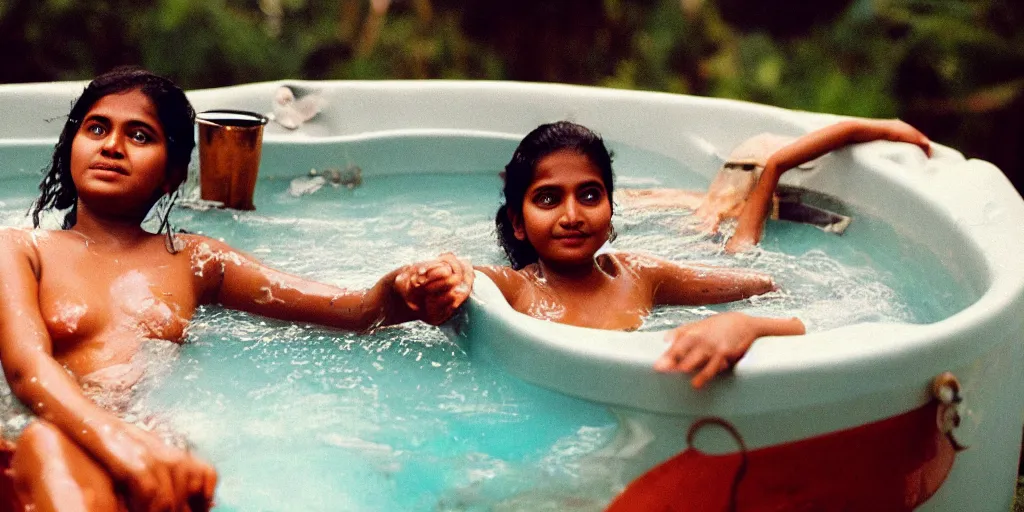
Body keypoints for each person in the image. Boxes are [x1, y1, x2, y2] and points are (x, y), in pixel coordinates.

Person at [0, 68, 473, 512]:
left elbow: (348, 308)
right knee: (48, 445)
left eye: (140, 135)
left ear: (173, 174)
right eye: (96, 129)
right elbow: (27, 370)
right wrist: (121, 443)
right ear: (71, 147)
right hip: (47, 431)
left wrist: (404, 288)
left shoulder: (194, 261)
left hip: (152, 437)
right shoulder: (21, 250)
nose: (113, 146)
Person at [476, 121, 806, 392]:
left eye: (590, 195)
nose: (572, 215)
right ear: (518, 222)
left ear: (610, 208)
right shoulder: (513, 289)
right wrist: (436, 282)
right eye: (548, 199)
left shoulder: (639, 276)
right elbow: (445, 279)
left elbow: (777, 288)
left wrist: (744, 325)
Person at [618, 120, 932, 251]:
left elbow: (776, 165)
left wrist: (890, 129)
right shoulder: (732, 229)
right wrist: (890, 129)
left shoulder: (678, 201)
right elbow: (777, 164)